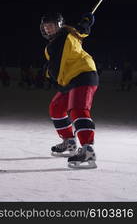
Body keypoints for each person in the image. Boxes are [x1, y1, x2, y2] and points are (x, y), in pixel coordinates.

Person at [40, 12, 99, 168]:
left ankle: (87, 150)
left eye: (51, 26)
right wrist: (85, 23)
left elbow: (54, 70)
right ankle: (69, 142)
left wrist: (47, 71)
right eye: (46, 27)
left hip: (83, 73)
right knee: (56, 107)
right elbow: (82, 31)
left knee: (78, 109)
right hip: (71, 79)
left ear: (59, 25)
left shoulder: (64, 35)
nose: (48, 30)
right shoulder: (61, 39)